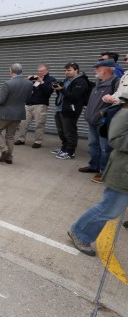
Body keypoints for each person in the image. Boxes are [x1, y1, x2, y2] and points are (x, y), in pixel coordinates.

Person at [67, 93, 128, 257]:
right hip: (123, 172)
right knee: (110, 209)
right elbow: (115, 139)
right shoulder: (125, 111)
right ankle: (80, 233)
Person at [79, 59, 120, 182]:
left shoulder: (115, 83)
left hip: (104, 122)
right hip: (92, 121)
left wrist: (102, 113)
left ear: (107, 69)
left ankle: (104, 172)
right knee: (92, 145)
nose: (95, 70)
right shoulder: (98, 83)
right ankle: (94, 166)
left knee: (105, 148)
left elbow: (118, 103)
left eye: (98, 68)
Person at [0, 63, 34, 164]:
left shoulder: (8, 83)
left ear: (11, 71)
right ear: (21, 72)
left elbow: (1, 100)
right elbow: (28, 100)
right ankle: (9, 158)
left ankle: (4, 150)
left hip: (5, 113)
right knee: (10, 135)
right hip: (18, 113)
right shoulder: (29, 84)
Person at [51, 62, 89, 159]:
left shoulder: (80, 81)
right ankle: (64, 148)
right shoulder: (67, 80)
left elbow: (75, 96)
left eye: (69, 70)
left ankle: (70, 152)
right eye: (65, 70)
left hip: (70, 110)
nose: (66, 72)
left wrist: (62, 89)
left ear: (76, 70)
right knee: (62, 131)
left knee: (70, 132)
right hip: (60, 109)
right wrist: (58, 89)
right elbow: (64, 94)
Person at [15, 64, 56, 148]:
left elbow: (48, 92)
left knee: (39, 124)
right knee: (23, 123)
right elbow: (28, 90)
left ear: (47, 70)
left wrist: (41, 82)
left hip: (40, 105)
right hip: (29, 104)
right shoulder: (35, 79)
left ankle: (38, 141)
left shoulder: (51, 80)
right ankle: (21, 139)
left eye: (41, 71)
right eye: (38, 71)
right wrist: (28, 81)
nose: (39, 72)